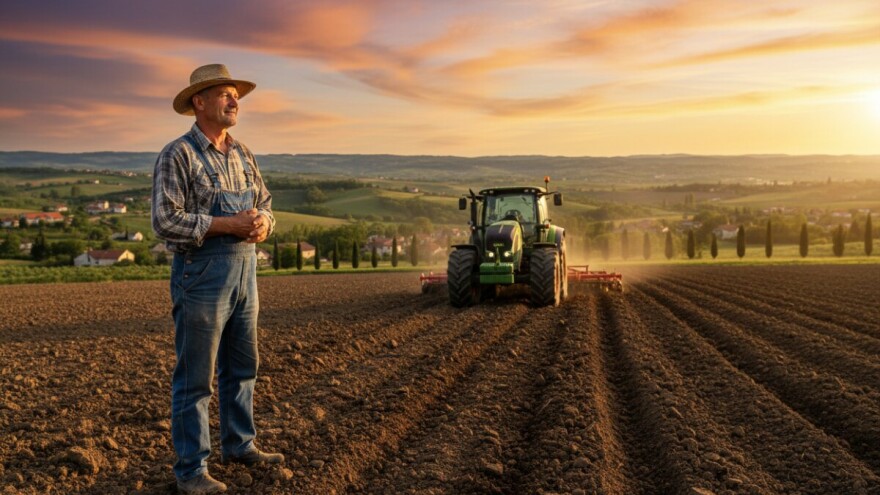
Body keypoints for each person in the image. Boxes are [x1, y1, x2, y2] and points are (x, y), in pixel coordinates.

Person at [152, 64, 283, 494]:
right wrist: (228, 225)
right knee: (195, 379)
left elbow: (266, 203)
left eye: (235, 95)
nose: (234, 101)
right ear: (200, 101)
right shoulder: (179, 154)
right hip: (201, 275)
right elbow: (165, 221)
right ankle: (191, 470)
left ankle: (239, 445)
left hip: (246, 271)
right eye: (225, 94)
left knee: (243, 368)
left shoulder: (243, 153)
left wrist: (263, 224)